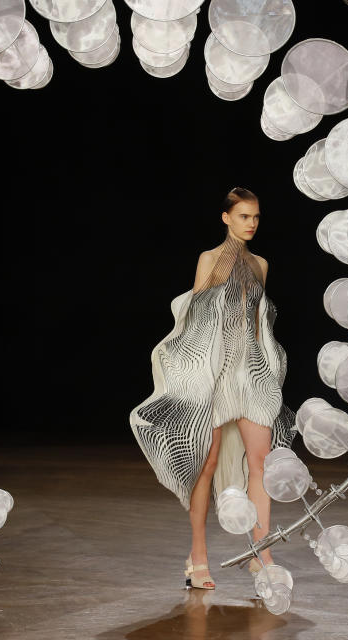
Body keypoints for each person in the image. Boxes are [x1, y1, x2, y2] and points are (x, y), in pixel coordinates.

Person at [130, 187, 296, 590]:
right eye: (243, 216)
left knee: (262, 463)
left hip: (251, 374)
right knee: (205, 465)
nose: (251, 223)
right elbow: (195, 322)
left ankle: (263, 553)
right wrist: (191, 379)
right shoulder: (209, 260)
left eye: (256, 217)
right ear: (226, 218)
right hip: (216, 375)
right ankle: (198, 556)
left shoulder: (260, 265)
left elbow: (260, 326)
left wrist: (269, 371)